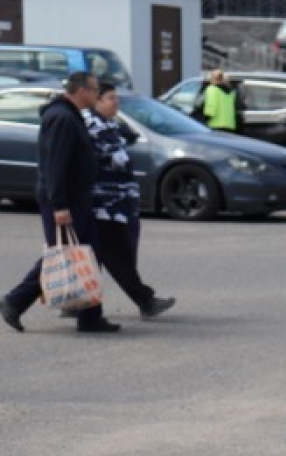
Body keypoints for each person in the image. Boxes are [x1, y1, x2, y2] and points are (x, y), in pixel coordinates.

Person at [0, 71, 121, 334]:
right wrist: (60, 205)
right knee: (63, 255)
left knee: (88, 254)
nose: (97, 95)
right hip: (65, 201)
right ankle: (14, 301)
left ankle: (90, 316)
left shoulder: (71, 115)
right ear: (81, 91)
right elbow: (55, 165)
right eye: (94, 90)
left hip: (78, 198)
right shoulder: (62, 118)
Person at [84, 82, 176, 319]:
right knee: (116, 254)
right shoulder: (91, 125)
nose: (116, 102)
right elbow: (110, 160)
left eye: (117, 98)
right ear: (97, 100)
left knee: (112, 255)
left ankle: (73, 302)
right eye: (111, 98)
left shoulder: (110, 124)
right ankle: (145, 301)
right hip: (104, 203)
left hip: (117, 202)